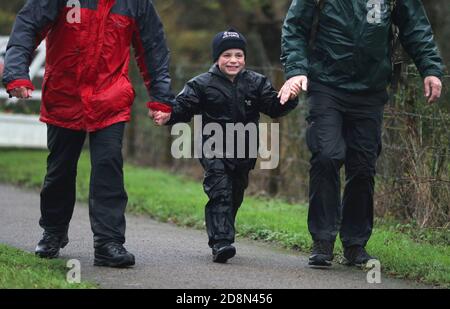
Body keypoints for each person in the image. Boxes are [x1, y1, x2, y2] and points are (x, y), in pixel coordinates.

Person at [2, 0, 174, 267]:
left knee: (108, 165)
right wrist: (16, 74)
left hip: (110, 97)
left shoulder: (136, 4)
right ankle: (53, 231)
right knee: (60, 168)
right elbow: (28, 25)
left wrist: (161, 99)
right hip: (65, 95)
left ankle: (108, 243)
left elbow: (153, 49)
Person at [279, 0, 444, 267]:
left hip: (370, 90)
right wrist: (296, 70)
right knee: (327, 155)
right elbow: (295, 27)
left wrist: (431, 69)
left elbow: (416, 27)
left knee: (363, 167)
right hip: (326, 86)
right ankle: (322, 240)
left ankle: (355, 244)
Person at [151, 28, 299, 263]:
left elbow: (274, 107)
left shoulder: (256, 83)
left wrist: (289, 97)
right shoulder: (201, 84)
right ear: (217, 58)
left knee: (235, 194)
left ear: (245, 58)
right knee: (219, 190)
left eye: (238, 55)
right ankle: (221, 242)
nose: (233, 60)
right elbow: (183, 107)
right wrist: (168, 115)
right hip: (213, 146)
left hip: (244, 148)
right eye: (227, 55)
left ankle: (223, 229)